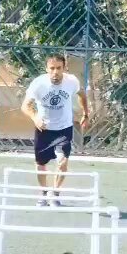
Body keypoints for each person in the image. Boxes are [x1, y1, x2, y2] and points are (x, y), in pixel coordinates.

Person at [21, 54, 89, 207]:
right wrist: (35, 118)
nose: (55, 72)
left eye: (59, 68)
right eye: (52, 68)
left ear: (64, 68)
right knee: (41, 164)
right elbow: (25, 106)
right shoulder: (38, 84)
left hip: (64, 128)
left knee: (63, 162)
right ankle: (44, 194)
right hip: (44, 129)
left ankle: (55, 193)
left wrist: (85, 114)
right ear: (47, 69)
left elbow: (82, 95)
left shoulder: (72, 81)